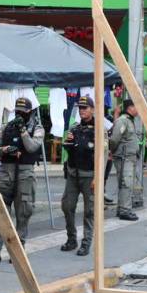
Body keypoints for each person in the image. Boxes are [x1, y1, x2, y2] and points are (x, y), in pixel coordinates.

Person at [0, 97, 43, 265]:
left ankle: (18, 252)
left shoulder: (36, 128)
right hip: (6, 172)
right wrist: (5, 149)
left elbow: (31, 147)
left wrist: (23, 131)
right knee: (1, 213)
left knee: (23, 212)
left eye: (22, 112)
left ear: (29, 112)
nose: (19, 114)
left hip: (25, 173)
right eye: (17, 111)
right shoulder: (6, 127)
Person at [60, 96, 96, 257]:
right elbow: (68, 148)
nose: (82, 110)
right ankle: (71, 239)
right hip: (73, 174)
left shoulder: (99, 130)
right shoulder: (74, 128)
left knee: (89, 211)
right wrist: (68, 145)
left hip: (90, 176)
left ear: (92, 109)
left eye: (85, 108)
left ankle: (86, 243)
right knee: (67, 206)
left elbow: (104, 156)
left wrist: (99, 178)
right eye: (80, 108)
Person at [108, 100, 144, 222]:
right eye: (136, 107)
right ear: (130, 108)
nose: (138, 110)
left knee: (126, 183)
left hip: (129, 157)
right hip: (124, 157)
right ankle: (125, 210)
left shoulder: (129, 120)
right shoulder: (123, 121)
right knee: (126, 183)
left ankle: (122, 208)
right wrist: (111, 151)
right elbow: (114, 139)